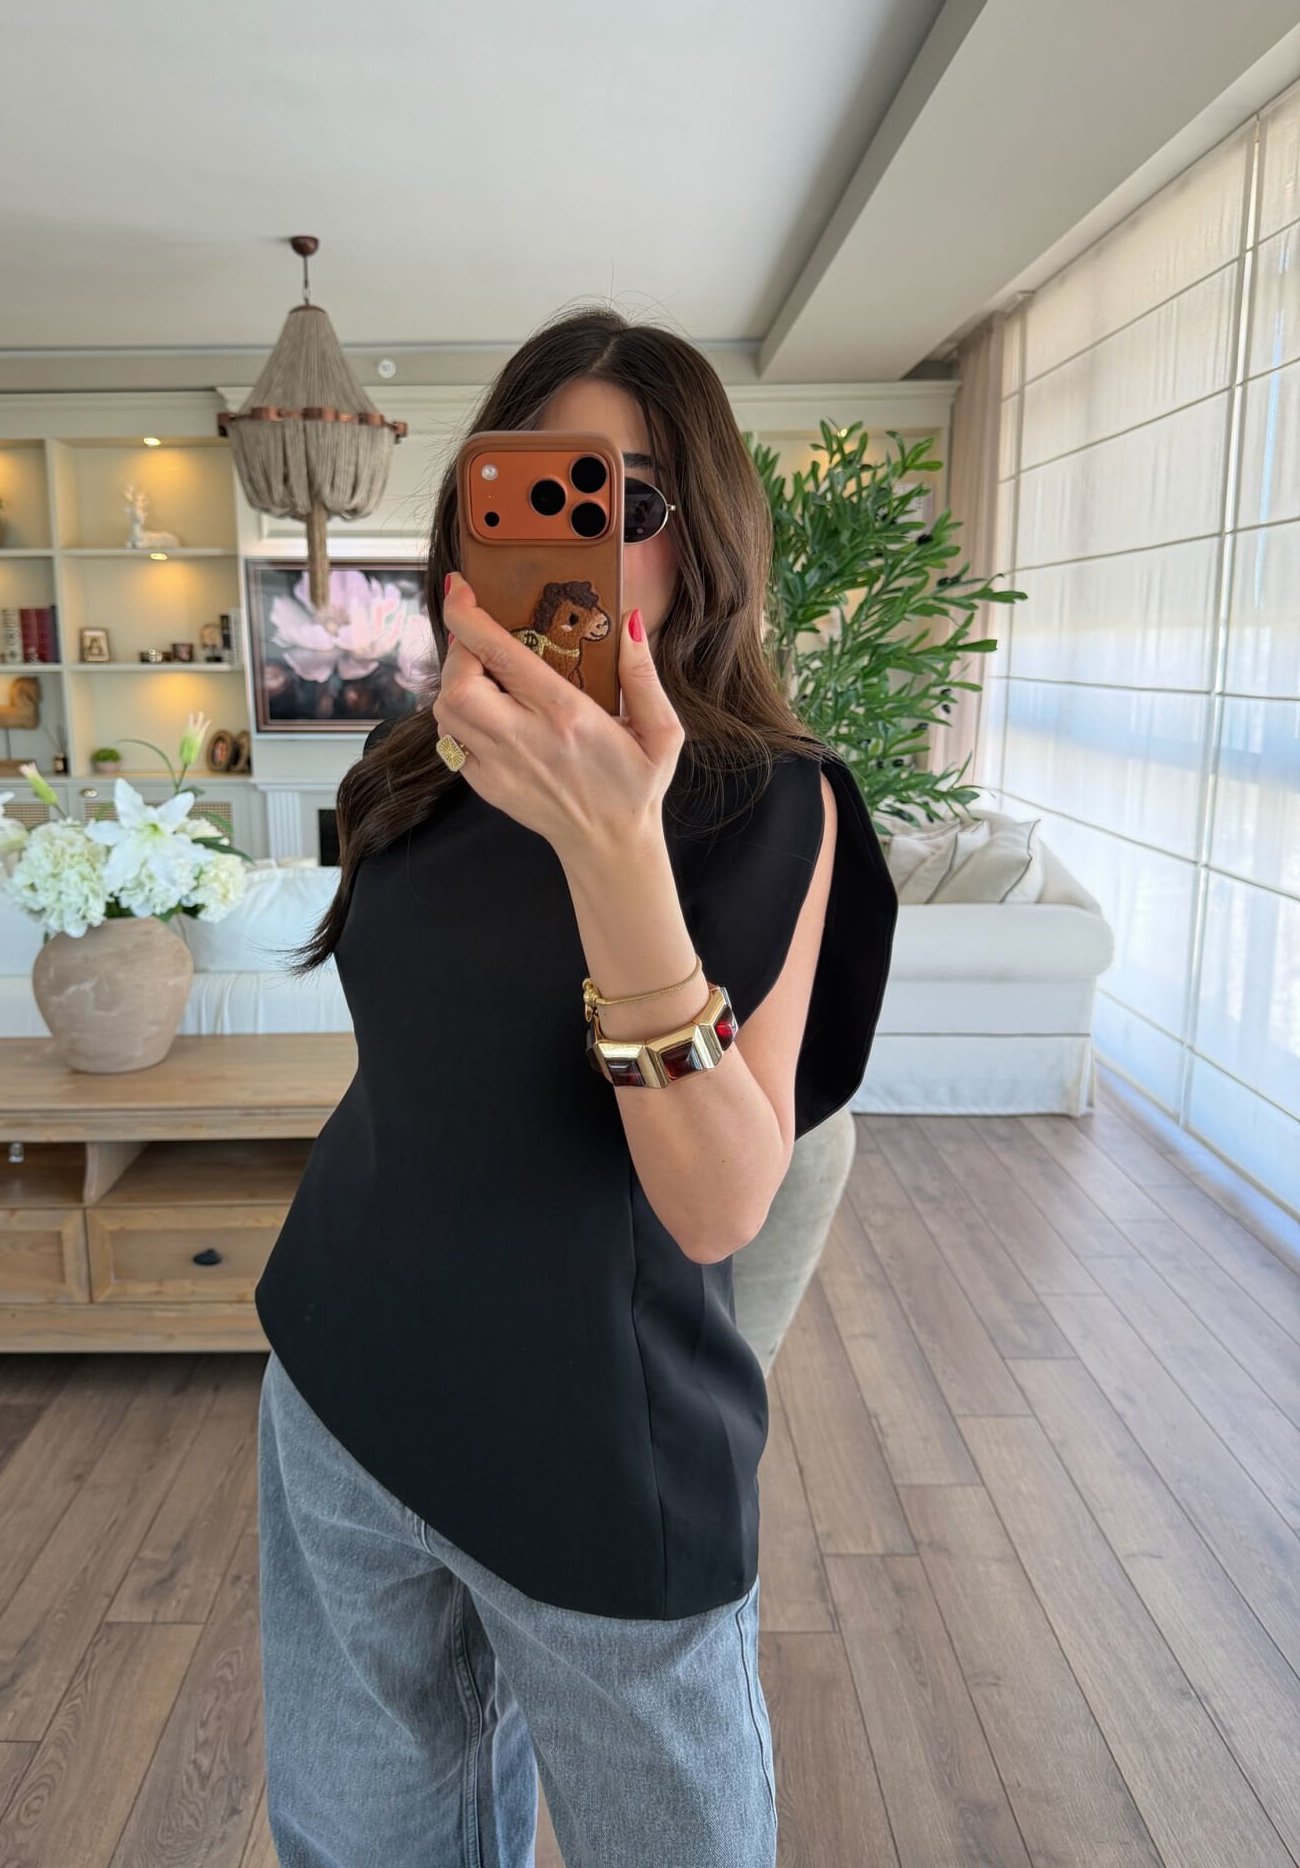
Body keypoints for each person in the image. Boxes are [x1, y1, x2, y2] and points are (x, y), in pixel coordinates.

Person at [253, 304, 899, 1868]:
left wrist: (615, 852)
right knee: (355, 1846)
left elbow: (718, 1202)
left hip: (594, 1456)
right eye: (543, 495)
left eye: (633, 501)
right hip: (340, 1392)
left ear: (707, 542)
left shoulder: (771, 805)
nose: (587, 544)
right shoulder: (422, 761)